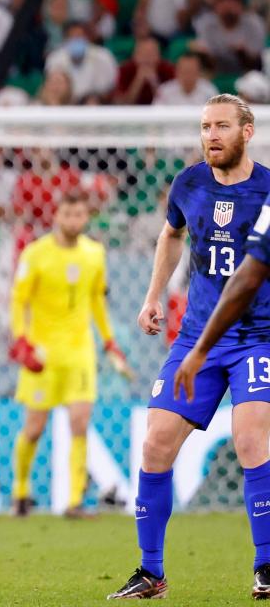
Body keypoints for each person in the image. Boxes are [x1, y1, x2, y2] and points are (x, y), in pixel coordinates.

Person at [107, 94, 270, 600]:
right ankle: (151, 573)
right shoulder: (189, 183)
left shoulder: (268, 190)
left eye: (222, 126)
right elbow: (171, 234)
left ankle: (266, 567)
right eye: (204, 127)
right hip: (197, 336)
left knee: (251, 439)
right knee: (156, 442)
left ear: (247, 131)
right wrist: (154, 296)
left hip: (257, 337)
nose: (211, 136)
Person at [9, 191, 132, 519]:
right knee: (34, 427)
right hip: (42, 353)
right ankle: (20, 491)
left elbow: (97, 302)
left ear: (86, 217)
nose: (74, 221)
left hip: (79, 351)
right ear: (56, 216)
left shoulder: (95, 254)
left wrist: (110, 342)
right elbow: (19, 300)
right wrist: (21, 341)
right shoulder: (35, 254)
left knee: (80, 423)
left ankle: (75, 501)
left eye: (79, 215)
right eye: (68, 214)